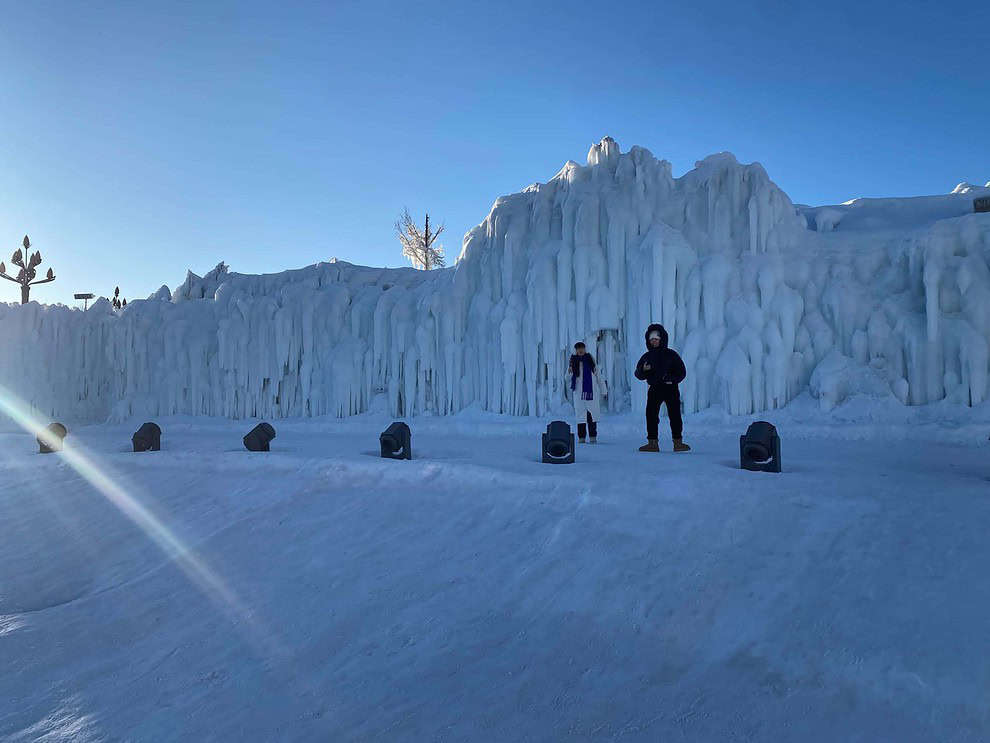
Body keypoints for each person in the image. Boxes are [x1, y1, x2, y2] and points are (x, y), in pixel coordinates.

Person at [633, 324, 690, 453]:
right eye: (651, 339)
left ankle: (678, 443)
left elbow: (682, 372)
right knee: (651, 415)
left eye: (656, 338)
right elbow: (638, 374)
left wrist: (671, 378)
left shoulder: (671, 355)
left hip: (670, 389)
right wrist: (643, 370)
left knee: (675, 415)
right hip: (654, 389)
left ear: (662, 339)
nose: (653, 341)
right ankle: (652, 443)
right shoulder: (646, 357)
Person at [567, 342, 607, 443]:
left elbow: (599, 376)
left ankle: (593, 437)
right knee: (580, 417)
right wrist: (569, 371)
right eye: (578, 349)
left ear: (585, 349)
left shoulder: (590, 360)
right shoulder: (573, 362)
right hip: (579, 394)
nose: (580, 350)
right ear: (575, 350)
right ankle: (581, 438)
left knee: (591, 416)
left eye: (582, 348)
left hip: (591, 393)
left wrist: (603, 390)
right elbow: (566, 378)